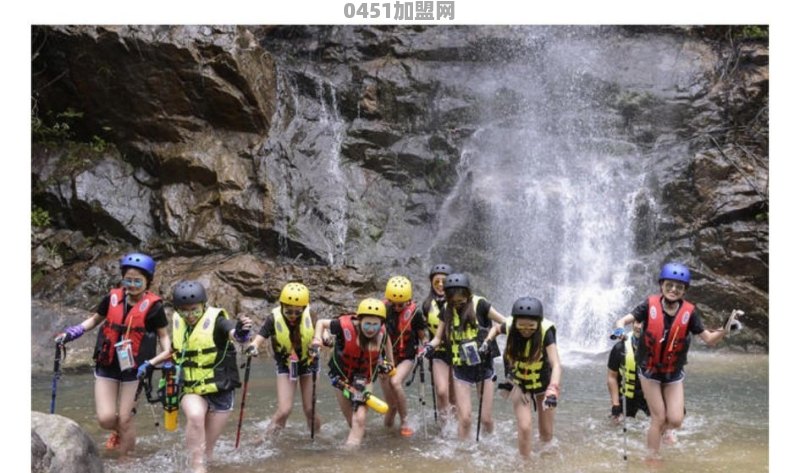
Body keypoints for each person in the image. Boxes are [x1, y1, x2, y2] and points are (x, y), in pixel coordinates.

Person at [611, 262, 741, 458]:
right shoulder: (648, 305)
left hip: (673, 373)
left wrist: (725, 329)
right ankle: (652, 459)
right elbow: (622, 321)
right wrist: (620, 330)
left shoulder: (690, 313)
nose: (673, 290)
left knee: (676, 420)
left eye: (679, 287)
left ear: (684, 290)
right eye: (669, 285)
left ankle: (660, 434)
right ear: (662, 285)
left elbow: (709, 339)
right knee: (658, 417)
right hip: (650, 370)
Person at [54, 252, 172, 454]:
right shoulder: (112, 298)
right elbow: (94, 320)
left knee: (125, 419)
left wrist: (164, 357)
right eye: (128, 279)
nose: (132, 284)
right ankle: (120, 431)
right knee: (106, 419)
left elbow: (163, 336)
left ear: (148, 281)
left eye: (137, 280)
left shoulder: (154, 308)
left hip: (136, 368)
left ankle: (127, 463)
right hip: (107, 364)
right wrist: (73, 332)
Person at [170, 280, 253, 473]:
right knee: (195, 416)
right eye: (184, 311)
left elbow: (233, 332)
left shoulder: (217, 321)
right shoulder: (177, 322)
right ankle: (196, 469)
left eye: (195, 310)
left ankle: (204, 464)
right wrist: (150, 364)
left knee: (208, 450)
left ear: (203, 306)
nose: (190, 316)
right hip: (192, 389)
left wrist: (241, 332)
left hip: (221, 390)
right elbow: (173, 351)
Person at [425, 273, 506, 441]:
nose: (457, 305)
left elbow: (505, 323)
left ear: (468, 295)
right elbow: (438, 338)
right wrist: (427, 348)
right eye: (453, 302)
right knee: (466, 419)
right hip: (461, 370)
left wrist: (490, 339)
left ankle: (491, 445)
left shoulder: (481, 305)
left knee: (486, 419)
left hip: (484, 368)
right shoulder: (446, 309)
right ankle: (462, 455)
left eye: (461, 301)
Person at [484, 296, 562, 457]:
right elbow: (497, 328)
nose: (526, 329)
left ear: (538, 323)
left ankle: (546, 464)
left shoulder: (545, 332)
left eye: (531, 326)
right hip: (519, 384)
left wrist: (553, 390)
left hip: (544, 385)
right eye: (522, 325)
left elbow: (556, 365)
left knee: (546, 434)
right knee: (525, 427)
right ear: (516, 322)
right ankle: (526, 465)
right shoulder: (511, 326)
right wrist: (487, 341)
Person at [311, 298, 394, 448]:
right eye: (367, 323)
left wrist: (389, 363)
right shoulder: (344, 327)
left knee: (360, 419)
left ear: (381, 324)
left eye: (375, 325)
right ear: (359, 320)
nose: (371, 329)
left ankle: (349, 456)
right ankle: (362, 442)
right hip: (341, 380)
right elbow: (321, 323)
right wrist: (318, 338)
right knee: (353, 421)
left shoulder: (382, 332)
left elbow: (387, 340)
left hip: (365, 379)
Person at [245, 282, 321, 438]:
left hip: (309, 362)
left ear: (304, 308)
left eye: (297, 312)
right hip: (286, 365)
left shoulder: (311, 315)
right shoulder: (274, 318)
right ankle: (265, 439)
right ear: (281, 306)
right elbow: (261, 336)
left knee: (310, 409)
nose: (293, 315)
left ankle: (318, 437)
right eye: (288, 311)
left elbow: (321, 333)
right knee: (284, 410)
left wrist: (324, 340)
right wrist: (253, 346)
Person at [379, 276, 428, 437]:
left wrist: (425, 347)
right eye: (394, 304)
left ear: (409, 300)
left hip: (406, 356)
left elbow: (422, 336)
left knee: (395, 381)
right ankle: (387, 433)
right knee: (390, 406)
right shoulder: (382, 310)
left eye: (402, 304)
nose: (398, 307)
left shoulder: (415, 314)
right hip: (385, 358)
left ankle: (405, 420)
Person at [421, 263, 457, 422]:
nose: (441, 285)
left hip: (457, 352)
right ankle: (444, 426)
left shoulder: (460, 304)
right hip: (438, 352)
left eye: (444, 281)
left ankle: (456, 425)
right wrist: (424, 345)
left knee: (454, 393)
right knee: (442, 391)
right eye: (437, 282)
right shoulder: (427, 305)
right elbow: (424, 331)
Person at [606, 320, 649, 421]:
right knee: (616, 422)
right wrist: (615, 404)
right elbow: (612, 377)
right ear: (632, 324)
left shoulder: (657, 348)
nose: (639, 327)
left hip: (650, 396)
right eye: (637, 323)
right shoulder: (619, 348)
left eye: (644, 323)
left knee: (665, 426)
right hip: (628, 396)